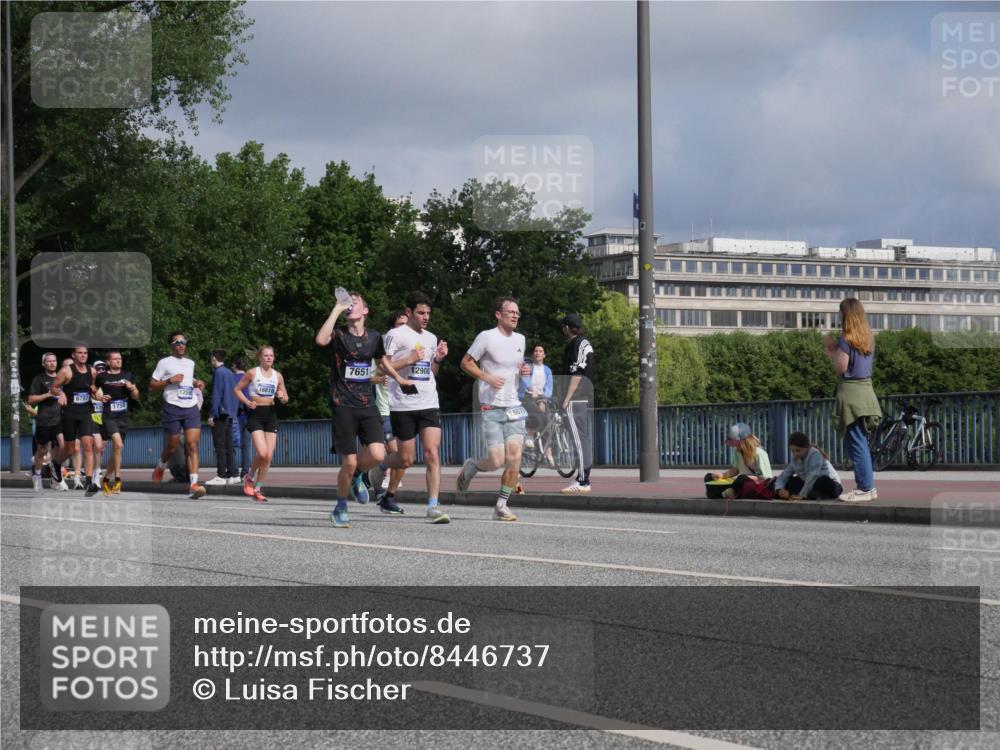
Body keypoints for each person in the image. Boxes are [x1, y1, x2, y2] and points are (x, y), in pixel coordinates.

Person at [315, 290, 413, 529]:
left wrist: (399, 379)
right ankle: (340, 507)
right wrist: (337, 308)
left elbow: (382, 363)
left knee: (378, 455)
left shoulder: (375, 338)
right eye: (347, 302)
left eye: (354, 302)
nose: (350, 305)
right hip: (342, 404)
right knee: (348, 462)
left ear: (365, 311)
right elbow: (321, 340)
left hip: (367, 404)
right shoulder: (339, 334)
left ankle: (359, 474)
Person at [457, 296, 532, 522]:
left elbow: (516, 368)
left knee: (515, 458)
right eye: (511, 312)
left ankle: (501, 506)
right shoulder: (486, 337)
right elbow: (465, 362)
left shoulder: (520, 339)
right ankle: (473, 465)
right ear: (498, 315)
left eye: (518, 312)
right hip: (491, 407)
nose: (515, 315)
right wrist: (486, 377)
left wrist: (524, 372)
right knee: (496, 461)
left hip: (514, 406)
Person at [377, 291, 450, 523]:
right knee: (405, 459)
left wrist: (438, 359)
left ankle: (433, 506)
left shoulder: (431, 338)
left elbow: (430, 373)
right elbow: (383, 367)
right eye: (421, 313)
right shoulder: (394, 335)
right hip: (402, 404)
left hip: (428, 402)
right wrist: (408, 359)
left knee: (432, 452)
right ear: (409, 312)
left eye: (428, 313)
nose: (425, 317)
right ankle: (380, 466)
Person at [825, 297, 881, 503]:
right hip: (866, 392)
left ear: (846, 315)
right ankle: (868, 488)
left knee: (856, 444)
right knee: (861, 442)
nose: (838, 316)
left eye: (840, 312)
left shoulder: (846, 339)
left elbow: (841, 368)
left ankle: (864, 488)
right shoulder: (868, 339)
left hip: (850, 395)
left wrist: (832, 352)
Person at [149, 332, 208, 499]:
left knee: (192, 445)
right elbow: (152, 386)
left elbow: (188, 379)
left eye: (183, 342)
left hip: (190, 407)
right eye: (177, 342)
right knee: (173, 446)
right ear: (171, 345)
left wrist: (196, 382)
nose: (181, 344)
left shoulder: (190, 363)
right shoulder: (164, 363)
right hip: (173, 407)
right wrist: (169, 380)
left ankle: (194, 485)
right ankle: (161, 466)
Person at [234, 346, 289, 502]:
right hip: (255, 415)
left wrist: (281, 397)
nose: (269, 358)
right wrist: (247, 402)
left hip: (270, 415)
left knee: (268, 456)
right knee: (262, 453)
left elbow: (286, 398)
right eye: (266, 355)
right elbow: (237, 390)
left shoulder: (278, 376)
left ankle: (258, 488)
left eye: (271, 355)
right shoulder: (252, 373)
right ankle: (249, 476)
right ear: (260, 357)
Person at [370, 310, 408, 510]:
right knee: (394, 451)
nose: (405, 328)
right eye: (400, 324)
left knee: (404, 456)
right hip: (384, 409)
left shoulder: (413, 348)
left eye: (407, 324)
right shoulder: (381, 349)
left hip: (406, 408)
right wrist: (379, 378)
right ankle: (382, 478)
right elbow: (368, 376)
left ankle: (382, 476)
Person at [50, 346, 100, 495]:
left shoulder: (92, 371)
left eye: (85, 353)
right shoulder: (66, 371)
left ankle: (89, 482)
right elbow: (53, 388)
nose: (83, 355)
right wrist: (61, 393)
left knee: (88, 446)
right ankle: (55, 464)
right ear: (74, 355)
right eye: (80, 353)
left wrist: (97, 394)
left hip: (86, 412)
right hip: (70, 413)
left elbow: (91, 386)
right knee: (70, 449)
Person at [559, 313, 595, 494]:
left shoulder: (577, 344)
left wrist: (566, 398)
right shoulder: (584, 343)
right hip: (582, 398)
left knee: (579, 440)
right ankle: (582, 478)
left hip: (575, 398)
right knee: (582, 439)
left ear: (567, 327)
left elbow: (577, 373)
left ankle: (582, 480)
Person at [95, 351, 140, 495]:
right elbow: (93, 390)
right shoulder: (102, 377)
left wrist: (132, 388)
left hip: (123, 416)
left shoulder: (127, 375)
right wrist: (100, 397)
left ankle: (106, 478)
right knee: (118, 445)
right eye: (115, 359)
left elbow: (136, 396)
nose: (118, 361)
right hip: (109, 415)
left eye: (119, 359)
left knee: (117, 449)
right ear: (108, 362)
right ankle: (118, 480)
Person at [27, 352, 65, 492]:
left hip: (60, 419)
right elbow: (31, 400)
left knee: (63, 447)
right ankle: (37, 476)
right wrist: (48, 394)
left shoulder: (62, 378)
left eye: (54, 361)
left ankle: (56, 477)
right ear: (43, 364)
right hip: (45, 420)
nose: (52, 363)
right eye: (49, 361)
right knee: (42, 450)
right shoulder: (39, 379)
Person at [774, 432, 843, 501]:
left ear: (806, 447)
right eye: (793, 451)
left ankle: (807, 494)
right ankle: (812, 495)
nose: (795, 454)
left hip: (830, 484)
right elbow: (783, 476)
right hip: (810, 485)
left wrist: (802, 495)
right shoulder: (795, 460)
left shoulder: (814, 454)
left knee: (823, 480)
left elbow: (813, 476)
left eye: (798, 450)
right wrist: (780, 490)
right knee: (790, 481)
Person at [206, 349, 240, 486]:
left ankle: (221, 475)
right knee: (228, 445)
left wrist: (212, 415)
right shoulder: (230, 373)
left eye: (211, 358)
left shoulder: (218, 372)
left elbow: (217, 394)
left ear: (214, 358)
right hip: (230, 413)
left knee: (219, 445)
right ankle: (233, 474)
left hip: (220, 414)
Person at [232, 354, 252, 478]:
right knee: (247, 446)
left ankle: (234, 471)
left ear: (235, 366)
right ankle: (245, 472)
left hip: (235, 414)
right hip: (249, 415)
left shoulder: (232, 378)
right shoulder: (250, 378)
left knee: (232, 444)